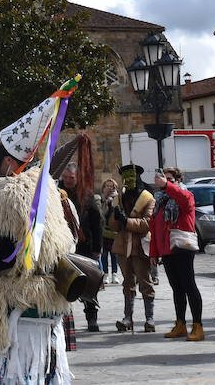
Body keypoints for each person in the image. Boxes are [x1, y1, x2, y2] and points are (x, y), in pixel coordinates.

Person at [0, 167, 75, 384]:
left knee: (20, 370)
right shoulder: (47, 190)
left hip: (20, 299)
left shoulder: (10, 197)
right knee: (43, 370)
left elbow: (7, 255)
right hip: (47, 293)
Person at [148, 167, 204, 342]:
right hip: (167, 251)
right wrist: (153, 253)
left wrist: (168, 186)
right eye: (165, 180)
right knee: (177, 289)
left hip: (182, 248)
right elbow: (155, 227)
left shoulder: (185, 195)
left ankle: (198, 325)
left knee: (189, 286)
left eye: (171, 180)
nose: (167, 183)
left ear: (178, 180)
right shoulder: (161, 200)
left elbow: (184, 200)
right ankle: (180, 323)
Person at [53, 136, 100, 332]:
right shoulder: (57, 194)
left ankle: (92, 318)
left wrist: (97, 248)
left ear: (77, 178)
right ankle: (66, 321)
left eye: (71, 179)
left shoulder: (87, 195)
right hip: (65, 246)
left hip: (85, 245)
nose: (68, 181)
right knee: (67, 283)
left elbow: (97, 222)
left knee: (89, 283)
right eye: (65, 178)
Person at [106, 163, 156, 333]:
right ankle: (128, 317)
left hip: (141, 246)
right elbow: (113, 226)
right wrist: (114, 215)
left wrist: (126, 221)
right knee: (127, 283)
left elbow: (147, 223)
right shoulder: (120, 198)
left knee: (145, 282)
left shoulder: (147, 197)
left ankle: (149, 318)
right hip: (122, 245)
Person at [99, 178, 119, 284]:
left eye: (112, 186)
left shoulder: (117, 198)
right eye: (107, 186)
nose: (109, 188)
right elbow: (100, 213)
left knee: (114, 253)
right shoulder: (100, 198)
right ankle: (105, 274)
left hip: (113, 230)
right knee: (104, 254)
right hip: (103, 230)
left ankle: (114, 274)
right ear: (103, 187)